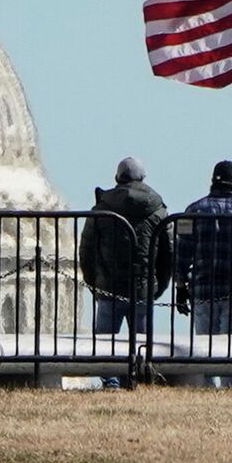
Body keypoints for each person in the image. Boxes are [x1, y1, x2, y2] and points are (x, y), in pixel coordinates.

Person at [79, 157, 171, 388]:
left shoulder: (101, 208)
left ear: (118, 178)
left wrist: (94, 282)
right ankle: (135, 380)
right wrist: (159, 285)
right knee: (141, 341)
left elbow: (87, 249)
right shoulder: (158, 209)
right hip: (142, 287)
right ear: (142, 178)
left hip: (108, 287)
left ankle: (110, 382)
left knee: (104, 342)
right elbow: (167, 253)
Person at [174, 160, 232, 387]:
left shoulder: (193, 210)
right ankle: (231, 389)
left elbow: (182, 251)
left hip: (202, 289)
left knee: (204, 348)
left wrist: (180, 285)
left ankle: (206, 390)